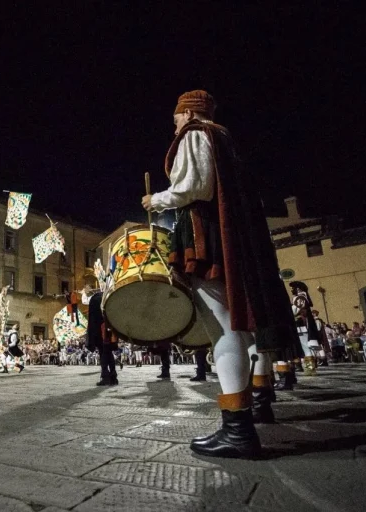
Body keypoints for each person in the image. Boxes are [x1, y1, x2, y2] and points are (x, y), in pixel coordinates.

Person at [142, 90, 297, 458]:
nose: (175, 123)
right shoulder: (224, 139)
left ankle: (238, 431)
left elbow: (194, 187)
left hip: (207, 236)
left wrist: (156, 200)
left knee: (224, 328)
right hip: (228, 236)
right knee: (237, 329)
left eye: (177, 115)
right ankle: (245, 417)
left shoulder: (196, 134)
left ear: (190, 112)